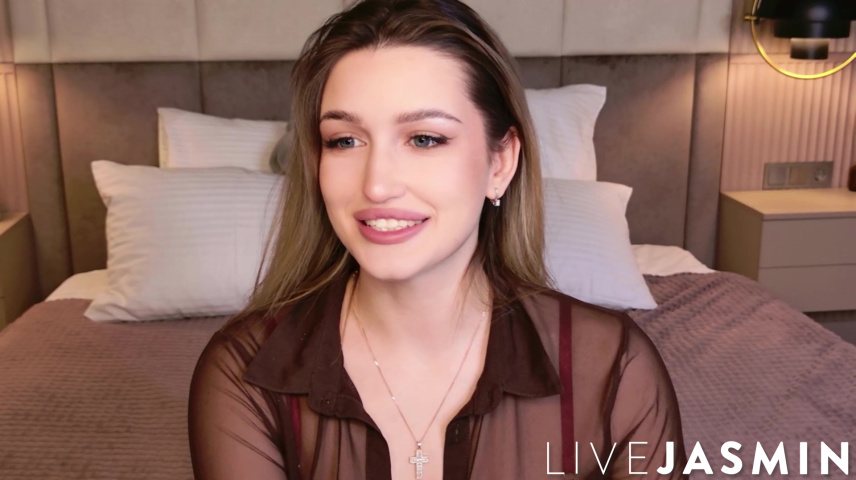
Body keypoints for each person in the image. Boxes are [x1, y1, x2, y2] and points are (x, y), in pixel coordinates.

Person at [187, 0, 688, 478]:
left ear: (500, 163)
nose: (376, 185)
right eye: (344, 140)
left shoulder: (614, 366)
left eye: (424, 138)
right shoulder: (241, 371)